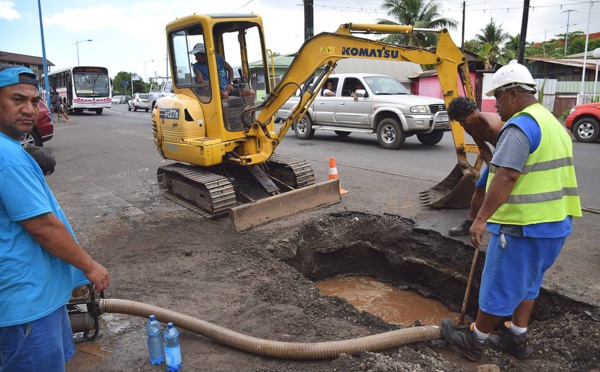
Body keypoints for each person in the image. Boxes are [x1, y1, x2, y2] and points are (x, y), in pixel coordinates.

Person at [440, 60, 582, 361]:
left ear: (514, 94)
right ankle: (517, 338)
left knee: (498, 282)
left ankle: (474, 341)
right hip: (555, 224)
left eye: (499, 98)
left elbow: (506, 176)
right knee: (529, 282)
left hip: (523, 226)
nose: (496, 105)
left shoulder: (519, 127)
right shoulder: (551, 122)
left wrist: (478, 221)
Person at [0, 65, 110, 370]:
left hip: (29, 294)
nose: (29, 109)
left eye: (35, 101)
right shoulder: (7, 157)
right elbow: (42, 226)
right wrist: (89, 266)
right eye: (17, 99)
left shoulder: (9, 148)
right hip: (27, 302)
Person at [447, 97, 504, 236]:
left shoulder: (494, 124)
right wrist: (492, 168)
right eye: (459, 122)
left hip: (508, 154)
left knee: (502, 191)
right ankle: (469, 223)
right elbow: (483, 149)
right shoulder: (469, 125)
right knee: (480, 187)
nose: (461, 125)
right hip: (498, 155)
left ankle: (505, 227)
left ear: (473, 112)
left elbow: (506, 150)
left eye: (463, 120)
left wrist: (499, 173)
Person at [190, 43, 255, 104]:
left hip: (228, 88)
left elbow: (230, 69)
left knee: (250, 93)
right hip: (213, 91)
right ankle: (226, 115)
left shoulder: (218, 58)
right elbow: (200, 80)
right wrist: (212, 84)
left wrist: (230, 83)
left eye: (197, 56)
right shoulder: (196, 66)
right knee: (224, 95)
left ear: (204, 54)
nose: (196, 58)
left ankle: (248, 114)